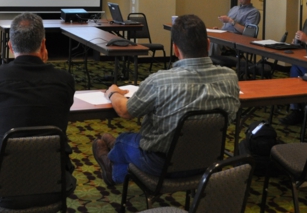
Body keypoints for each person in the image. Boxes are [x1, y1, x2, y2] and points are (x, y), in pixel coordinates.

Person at [92, 14, 240, 186]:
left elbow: (125, 111)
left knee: (124, 139)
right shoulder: (230, 78)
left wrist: (113, 93)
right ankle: (117, 156)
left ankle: (112, 167)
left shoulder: (160, 81)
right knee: (129, 143)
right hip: (207, 163)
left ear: (175, 49)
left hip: (161, 164)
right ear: (208, 44)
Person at [0, 13, 76, 207]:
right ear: (43, 44)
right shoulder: (65, 80)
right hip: (55, 187)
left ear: (10, 46)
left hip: (4, 192)